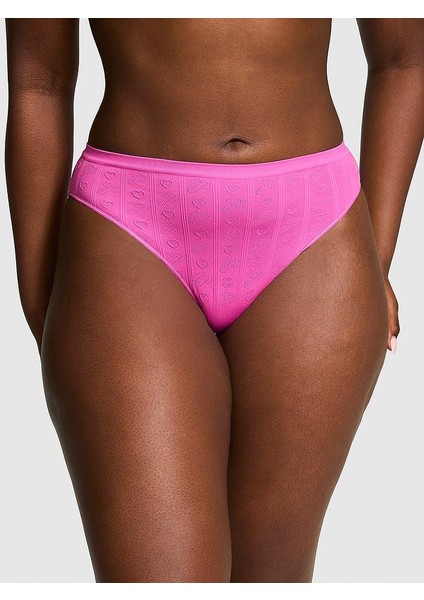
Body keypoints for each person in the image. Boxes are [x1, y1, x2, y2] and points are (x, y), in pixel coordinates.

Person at [4, 18, 423, 583]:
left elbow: (404, 59)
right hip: (130, 225)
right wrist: (42, 305)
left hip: (313, 233)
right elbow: (39, 82)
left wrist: (376, 261)